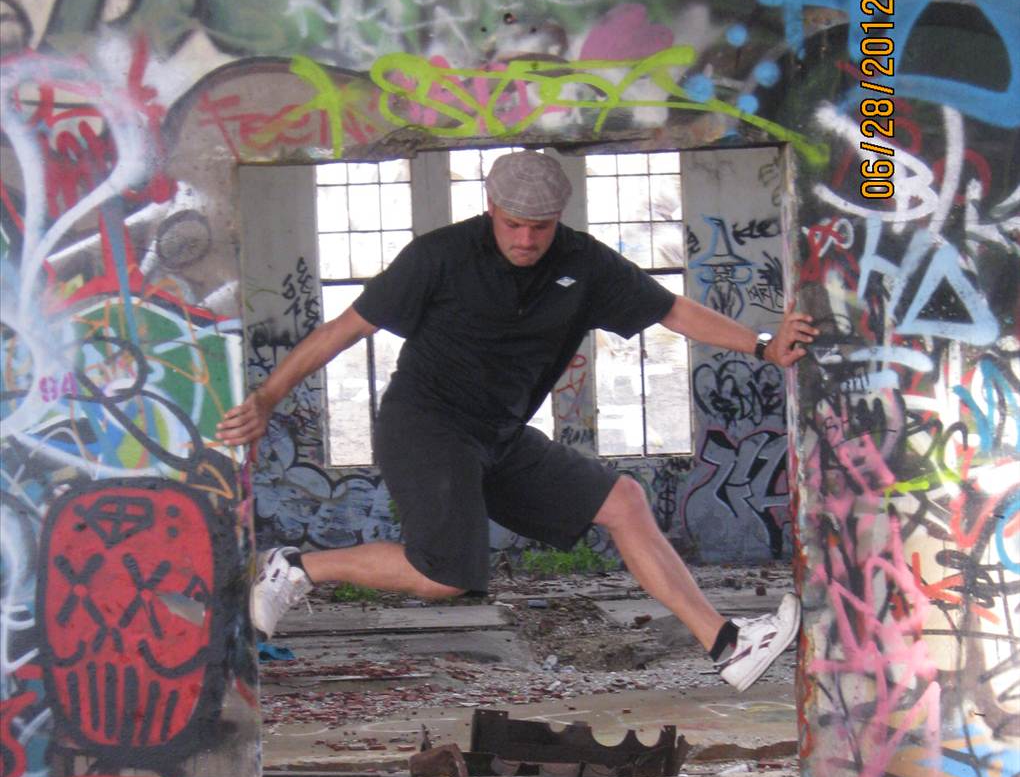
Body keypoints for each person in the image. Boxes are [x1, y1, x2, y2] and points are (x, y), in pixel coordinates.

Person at [216, 151, 818, 691]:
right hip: (426, 423)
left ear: (558, 219)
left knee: (624, 501)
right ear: (490, 208)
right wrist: (267, 399)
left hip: (499, 435)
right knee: (445, 574)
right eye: (513, 225)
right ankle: (294, 567)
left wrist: (763, 345)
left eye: (540, 227)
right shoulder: (439, 256)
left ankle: (727, 645)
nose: (526, 239)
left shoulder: (585, 263)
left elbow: (673, 311)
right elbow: (343, 330)